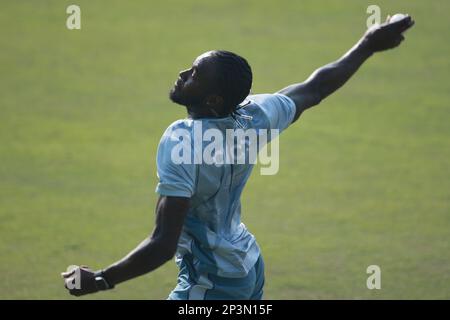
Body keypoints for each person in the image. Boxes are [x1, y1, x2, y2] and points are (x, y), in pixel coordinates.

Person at [62, 15, 414, 299]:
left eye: (195, 74)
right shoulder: (256, 116)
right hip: (246, 264)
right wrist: (368, 45)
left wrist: (99, 280)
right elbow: (316, 88)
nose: (183, 74)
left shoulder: (181, 140)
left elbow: (162, 244)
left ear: (213, 99)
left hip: (212, 280)